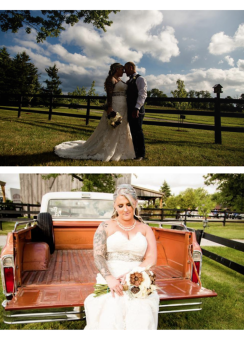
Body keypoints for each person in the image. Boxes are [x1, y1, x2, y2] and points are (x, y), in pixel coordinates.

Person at [83, 185, 159, 330]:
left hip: (137, 276)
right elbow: (98, 256)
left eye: (129, 204)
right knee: (111, 308)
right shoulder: (104, 227)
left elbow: (151, 258)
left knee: (140, 312)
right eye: (121, 205)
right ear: (115, 206)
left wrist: (134, 273)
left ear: (135, 204)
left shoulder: (145, 229)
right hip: (111, 275)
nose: (125, 209)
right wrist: (110, 278)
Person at [54, 63, 135, 161]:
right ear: (117, 69)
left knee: (122, 126)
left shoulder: (120, 80)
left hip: (124, 107)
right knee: (113, 126)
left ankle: (122, 148)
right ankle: (108, 148)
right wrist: (109, 107)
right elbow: (109, 95)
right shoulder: (110, 79)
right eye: (122, 69)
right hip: (115, 105)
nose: (124, 71)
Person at [124, 62, 148, 160]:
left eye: (125, 69)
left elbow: (143, 94)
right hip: (130, 109)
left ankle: (141, 154)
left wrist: (137, 108)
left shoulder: (140, 79)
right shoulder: (129, 81)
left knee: (138, 131)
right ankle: (134, 152)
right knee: (132, 131)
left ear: (130, 67)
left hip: (136, 110)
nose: (125, 72)